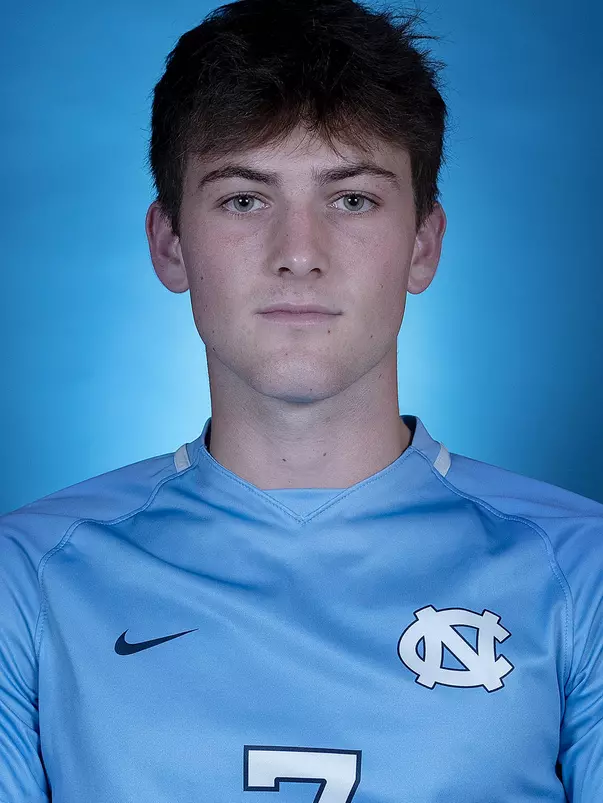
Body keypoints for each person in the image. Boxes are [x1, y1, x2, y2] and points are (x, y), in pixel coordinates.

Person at [1, 0, 601, 799]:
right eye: (244, 199)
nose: (298, 255)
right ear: (169, 243)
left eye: (350, 199)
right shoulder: (27, 581)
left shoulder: (580, 574)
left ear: (423, 243)